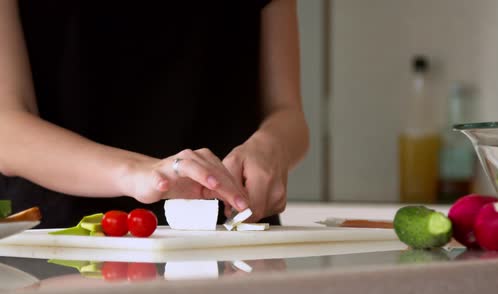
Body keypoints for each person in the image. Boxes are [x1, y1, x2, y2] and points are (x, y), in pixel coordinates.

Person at [0, 0, 309, 228]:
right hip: (62, 244)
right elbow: (7, 126)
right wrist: (141, 173)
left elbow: (287, 113)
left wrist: (271, 147)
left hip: (234, 240)